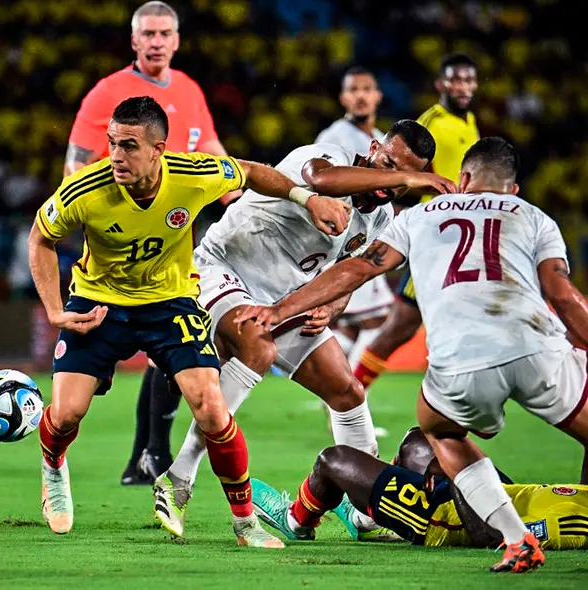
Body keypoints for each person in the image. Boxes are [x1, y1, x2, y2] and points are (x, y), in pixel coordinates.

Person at [235, 137, 588, 573]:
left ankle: (515, 540)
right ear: (512, 191)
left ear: (462, 179)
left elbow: (357, 268)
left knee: (436, 434)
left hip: (460, 364)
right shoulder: (535, 217)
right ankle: (517, 530)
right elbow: (562, 295)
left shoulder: (421, 215)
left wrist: (280, 309)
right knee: (421, 442)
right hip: (538, 347)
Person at [30, 96, 352, 547]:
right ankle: (53, 469)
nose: (116, 155)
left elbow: (251, 171)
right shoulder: (84, 190)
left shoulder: (191, 173)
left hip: (170, 304)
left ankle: (245, 523)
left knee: (213, 410)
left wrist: (307, 197)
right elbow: (40, 238)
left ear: (158, 150)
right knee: (66, 414)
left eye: (129, 146)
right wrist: (53, 309)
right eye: (112, 143)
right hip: (99, 304)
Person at [154, 121, 457, 538]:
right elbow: (320, 179)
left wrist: (332, 304)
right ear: (373, 148)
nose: (392, 182)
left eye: (403, 177)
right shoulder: (327, 156)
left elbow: (348, 275)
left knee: (347, 391)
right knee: (257, 349)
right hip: (223, 268)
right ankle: (178, 476)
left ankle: (365, 510)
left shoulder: (381, 218)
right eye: (388, 164)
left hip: (284, 300)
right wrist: (406, 178)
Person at [65, 0, 236, 485]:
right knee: (117, 357)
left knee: (171, 347)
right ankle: (142, 452)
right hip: (120, 245)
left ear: (177, 41)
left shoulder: (189, 90)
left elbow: (212, 151)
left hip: (174, 238)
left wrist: (239, 201)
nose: (157, 42)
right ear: (134, 40)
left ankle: (149, 455)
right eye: (149, 34)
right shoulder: (108, 93)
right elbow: (75, 166)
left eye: (164, 34)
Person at [354, 53, 481, 390]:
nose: (463, 86)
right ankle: (350, 393)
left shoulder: (469, 122)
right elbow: (404, 180)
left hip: (461, 237)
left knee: (444, 321)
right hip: (435, 237)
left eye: (469, 80)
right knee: (403, 324)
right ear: (441, 84)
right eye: (456, 79)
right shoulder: (431, 123)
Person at [252, 428, 588, 554]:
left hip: (444, 518)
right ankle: (366, 520)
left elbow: (493, 537)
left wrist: (457, 472)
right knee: (420, 440)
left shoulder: (576, 526)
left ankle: (297, 522)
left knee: (333, 460)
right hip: (497, 490)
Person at [315, 67, 394, 369]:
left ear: (378, 96)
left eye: (366, 89)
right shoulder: (332, 136)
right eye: (353, 89)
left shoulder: (381, 140)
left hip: (367, 234)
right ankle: (354, 389)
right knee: (378, 319)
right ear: (343, 98)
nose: (361, 96)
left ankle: (337, 386)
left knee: (350, 325)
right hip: (343, 236)